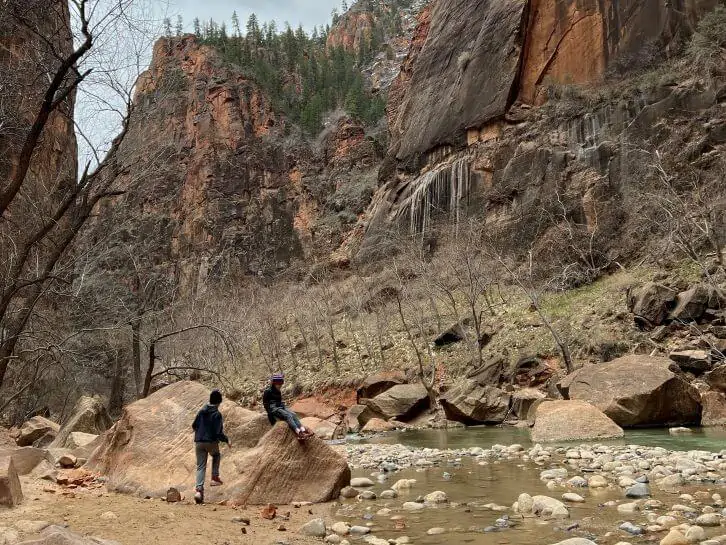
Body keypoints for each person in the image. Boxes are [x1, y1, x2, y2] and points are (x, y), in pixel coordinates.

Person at [192, 389, 230, 504]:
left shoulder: (202, 410)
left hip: (199, 442)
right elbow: (218, 433)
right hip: (211, 441)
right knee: (216, 455)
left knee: (200, 467)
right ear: (219, 402)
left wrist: (200, 433)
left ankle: (199, 491)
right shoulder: (217, 414)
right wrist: (227, 440)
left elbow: (194, 425)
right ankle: (214, 477)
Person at [263, 373, 313, 440]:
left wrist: (282, 406)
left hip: (280, 405)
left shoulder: (278, 391)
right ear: (274, 383)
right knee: (288, 416)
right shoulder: (267, 391)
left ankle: (303, 430)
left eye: (281, 384)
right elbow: (265, 403)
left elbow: (279, 401)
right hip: (273, 408)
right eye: (279, 384)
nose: (280, 386)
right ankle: (299, 433)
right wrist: (270, 414)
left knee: (294, 414)